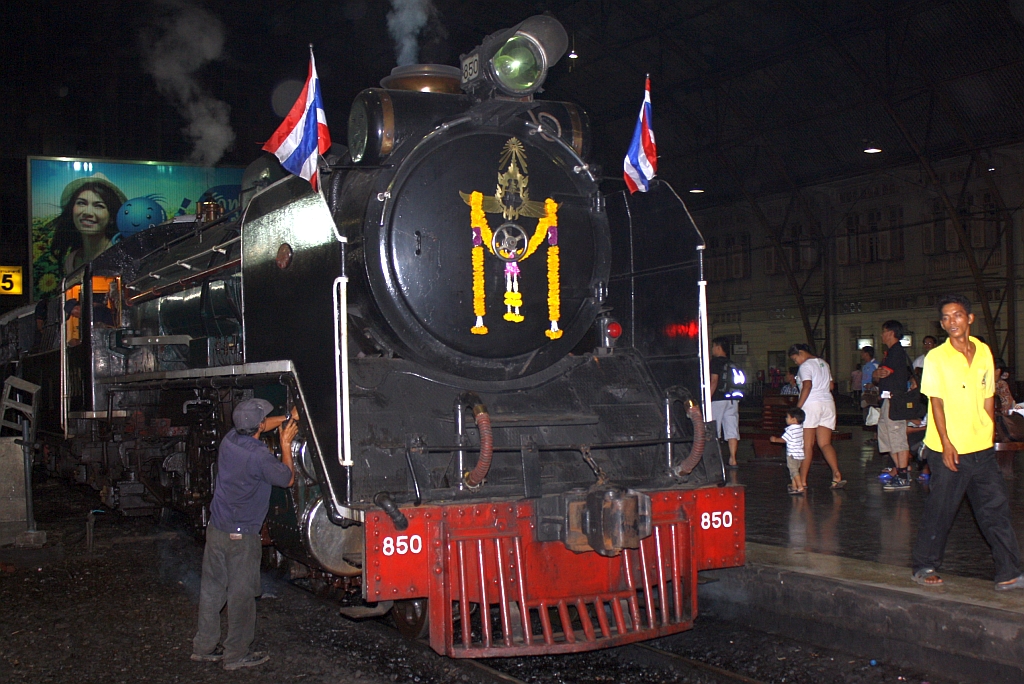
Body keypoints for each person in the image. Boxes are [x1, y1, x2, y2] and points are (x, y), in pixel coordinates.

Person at [910, 294, 1024, 591]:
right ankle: (924, 564)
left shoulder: (984, 352)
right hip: (948, 448)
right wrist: (947, 444)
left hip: (980, 447)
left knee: (994, 509)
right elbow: (936, 403)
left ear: (970, 318)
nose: (952, 322)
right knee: (942, 509)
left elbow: (988, 396)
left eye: (957, 315)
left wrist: (988, 433)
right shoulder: (937, 357)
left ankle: (1009, 571)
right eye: (946, 318)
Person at [192, 399, 299, 670]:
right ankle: (236, 655)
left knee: (212, 591)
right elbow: (286, 478)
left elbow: (261, 426)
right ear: (259, 425)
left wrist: (289, 418)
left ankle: (204, 647)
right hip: (241, 536)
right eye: (265, 419)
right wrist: (286, 444)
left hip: (217, 529)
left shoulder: (230, 440)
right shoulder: (259, 456)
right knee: (241, 597)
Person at [789, 343, 845, 488]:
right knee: (825, 443)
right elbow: (831, 386)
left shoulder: (805, 366)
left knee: (807, 445)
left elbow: (807, 386)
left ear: (801, 353)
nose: (796, 362)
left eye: (795, 359)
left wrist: (797, 408)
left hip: (811, 405)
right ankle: (836, 473)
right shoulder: (824, 364)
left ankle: (802, 480)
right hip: (828, 404)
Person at [48, 174, 125, 275]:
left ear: (111, 217)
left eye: (98, 206)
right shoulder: (72, 260)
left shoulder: (120, 256)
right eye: (81, 203)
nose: (87, 212)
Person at [873, 320, 914, 491]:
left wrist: (879, 373)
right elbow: (877, 375)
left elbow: (884, 372)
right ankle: (900, 471)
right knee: (887, 439)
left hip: (894, 401)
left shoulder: (897, 351)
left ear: (890, 332)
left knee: (897, 438)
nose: (881, 335)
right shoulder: (889, 353)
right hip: (885, 400)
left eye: (883, 331)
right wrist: (877, 374)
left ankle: (903, 475)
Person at [709, 337, 741, 469]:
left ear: (718, 347)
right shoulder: (732, 363)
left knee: (714, 429)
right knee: (732, 428)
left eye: (713, 346)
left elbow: (714, 381)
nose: (712, 349)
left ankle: (717, 460)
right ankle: (733, 459)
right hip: (732, 399)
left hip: (718, 399)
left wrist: (707, 398)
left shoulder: (715, 362)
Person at [770, 407, 806, 495]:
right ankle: (794, 487)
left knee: (793, 471)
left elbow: (784, 439)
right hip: (799, 454)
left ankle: (800, 486)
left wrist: (775, 439)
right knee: (795, 471)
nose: (786, 419)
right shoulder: (801, 428)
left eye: (787, 417)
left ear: (793, 419)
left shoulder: (791, 429)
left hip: (792, 454)